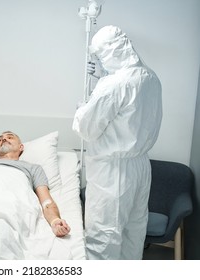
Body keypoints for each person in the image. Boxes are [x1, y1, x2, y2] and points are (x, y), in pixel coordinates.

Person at [72, 25, 163, 260]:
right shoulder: (150, 77)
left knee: (103, 238)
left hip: (113, 172)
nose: (100, 61)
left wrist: (83, 107)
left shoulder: (113, 85)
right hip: (141, 166)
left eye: (101, 56)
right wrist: (103, 78)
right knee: (134, 232)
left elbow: (87, 129)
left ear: (111, 52)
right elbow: (128, 115)